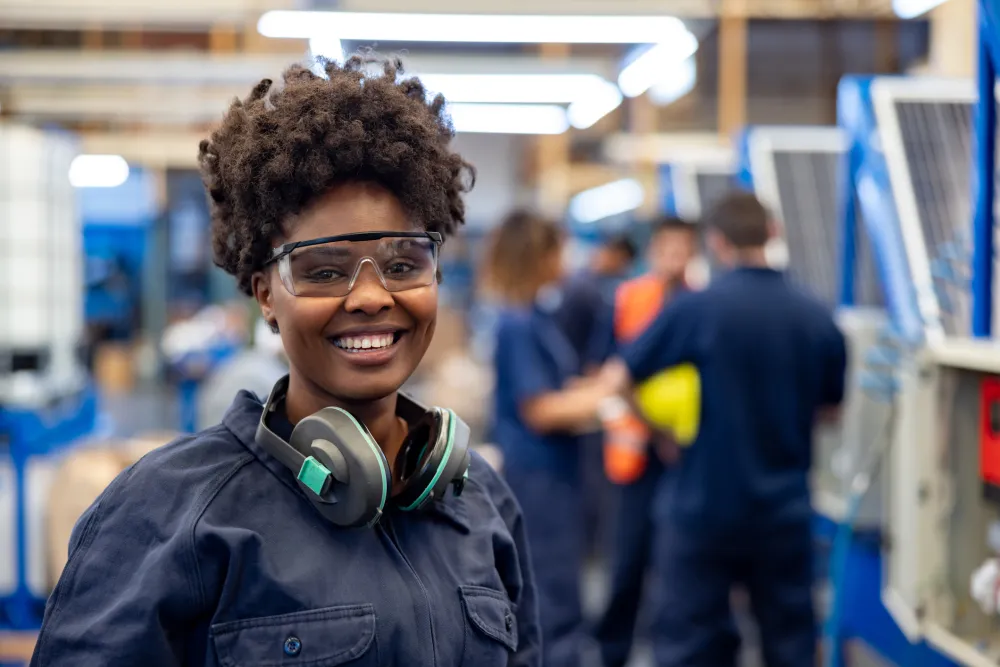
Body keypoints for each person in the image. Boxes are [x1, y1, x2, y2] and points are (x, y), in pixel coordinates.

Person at [32, 55, 540, 667]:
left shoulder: (482, 501)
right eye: (323, 271)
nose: (374, 296)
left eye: (404, 264)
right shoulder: (163, 515)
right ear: (266, 295)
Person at [621, 192, 847, 667]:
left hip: (704, 508)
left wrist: (661, 430)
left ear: (716, 242)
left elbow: (623, 378)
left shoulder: (697, 309)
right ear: (773, 233)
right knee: (790, 643)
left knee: (692, 644)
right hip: (783, 510)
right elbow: (830, 412)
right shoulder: (817, 315)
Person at [484, 210, 621, 667]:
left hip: (554, 476)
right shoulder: (519, 323)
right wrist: (610, 392)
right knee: (552, 594)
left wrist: (592, 389)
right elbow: (541, 410)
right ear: (539, 256)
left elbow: (557, 388)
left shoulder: (535, 317)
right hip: (539, 482)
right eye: (559, 249)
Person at [593, 216, 698, 667]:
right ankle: (612, 651)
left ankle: (669, 651)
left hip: (688, 456)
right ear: (654, 251)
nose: (675, 259)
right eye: (668, 249)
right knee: (628, 561)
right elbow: (608, 369)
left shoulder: (701, 304)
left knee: (680, 565)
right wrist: (651, 427)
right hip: (637, 453)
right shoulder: (628, 300)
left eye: (683, 250)